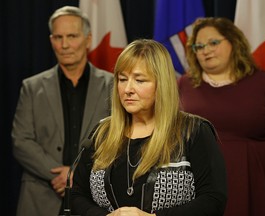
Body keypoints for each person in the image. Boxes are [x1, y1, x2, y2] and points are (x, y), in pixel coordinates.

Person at [71, 39, 227, 216]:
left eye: (139, 80)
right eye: (122, 79)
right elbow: (77, 194)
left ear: (161, 84)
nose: (127, 89)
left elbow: (213, 200)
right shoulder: (102, 133)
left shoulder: (193, 131)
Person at [178, 17, 265, 216]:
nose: (205, 50)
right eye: (199, 45)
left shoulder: (264, 83)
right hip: (200, 183)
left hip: (259, 182)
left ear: (234, 42)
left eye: (213, 42)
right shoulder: (183, 85)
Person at [11, 6, 113, 216]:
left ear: (88, 39)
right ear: (51, 41)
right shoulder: (32, 87)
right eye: (58, 37)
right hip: (41, 198)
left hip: (94, 199)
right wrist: (63, 175)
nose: (65, 45)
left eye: (72, 36)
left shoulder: (112, 85)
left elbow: (117, 138)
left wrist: (79, 174)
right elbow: (21, 140)